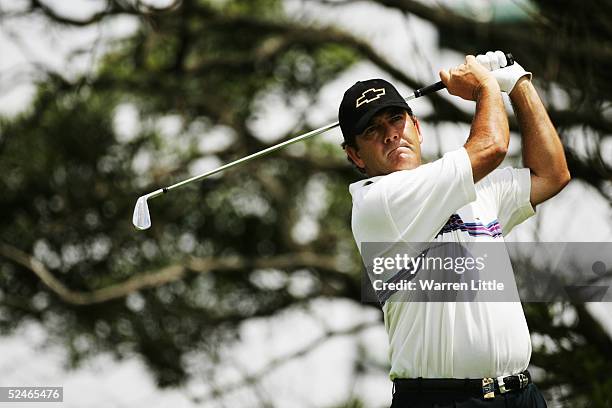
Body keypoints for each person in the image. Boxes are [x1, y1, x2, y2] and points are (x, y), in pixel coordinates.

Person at [338, 51, 570, 407]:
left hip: (521, 395)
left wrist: (520, 85)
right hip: (442, 401)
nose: (389, 135)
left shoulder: (469, 188)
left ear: (416, 127)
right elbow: (491, 147)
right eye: (372, 130)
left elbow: (551, 174)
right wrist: (486, 88)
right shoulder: (378, 203)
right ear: (355, 156)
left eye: (396, 119)